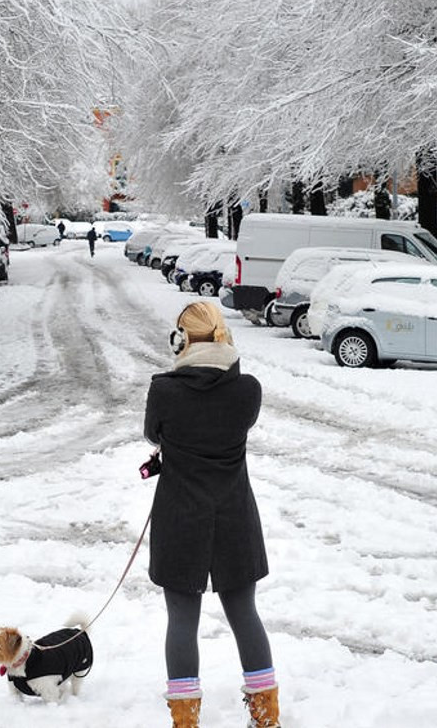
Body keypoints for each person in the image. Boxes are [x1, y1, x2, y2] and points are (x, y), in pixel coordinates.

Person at [144, 302, 281, 728]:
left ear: (180, 339)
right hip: (234, 516)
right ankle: (265, 717)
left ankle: (185, 721)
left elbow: (153, 433)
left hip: (179, 517)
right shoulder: (248, 390)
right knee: (244, 614)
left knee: (182, 621)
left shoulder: (164, 390)